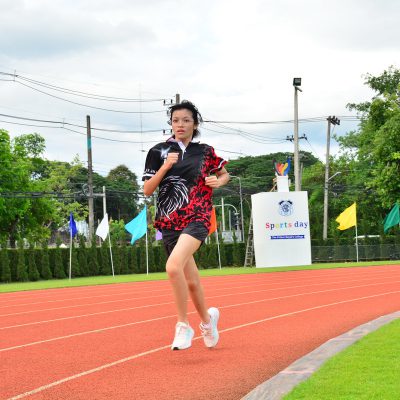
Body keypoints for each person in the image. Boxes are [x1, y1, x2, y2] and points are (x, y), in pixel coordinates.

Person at [142, 100, 229, 350]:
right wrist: (165, 166)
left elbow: (224, 174)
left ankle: (183, 325)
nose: (180, 124)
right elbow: (147, 190)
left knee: (172, 267)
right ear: (171, 124)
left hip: (198, 216)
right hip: (169, 221)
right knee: (191, 281)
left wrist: (219, 182)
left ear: (195, 124)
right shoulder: (158, 151)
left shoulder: (205, 151)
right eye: (176, 120)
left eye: (186, 120)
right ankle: (208, 322)